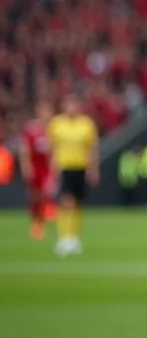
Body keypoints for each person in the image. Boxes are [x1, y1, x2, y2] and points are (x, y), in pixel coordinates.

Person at [47, 92, 99, 257]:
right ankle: (64, 237)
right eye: (69, 104)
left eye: (75, 104)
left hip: (81, 168)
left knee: (78, 204)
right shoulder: (56, 124)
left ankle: (74, 237)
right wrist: (51, 169)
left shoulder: (86, 124)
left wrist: (93, 169)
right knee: (66, 202)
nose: (72, 108)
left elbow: (92, 149)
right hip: (64, 167)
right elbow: (51, 148)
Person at [19, 100, 55, 240]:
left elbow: (54, 151)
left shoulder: (53, 129)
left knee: (47, 193)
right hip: (35, 167)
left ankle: (47, 212)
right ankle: (37, 224)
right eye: (44, 110)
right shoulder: (32, 129)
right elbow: (25, 150)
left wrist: (54, 167)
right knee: (35, 196)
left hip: (47, 168)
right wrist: (26, 166)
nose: (46, 114)